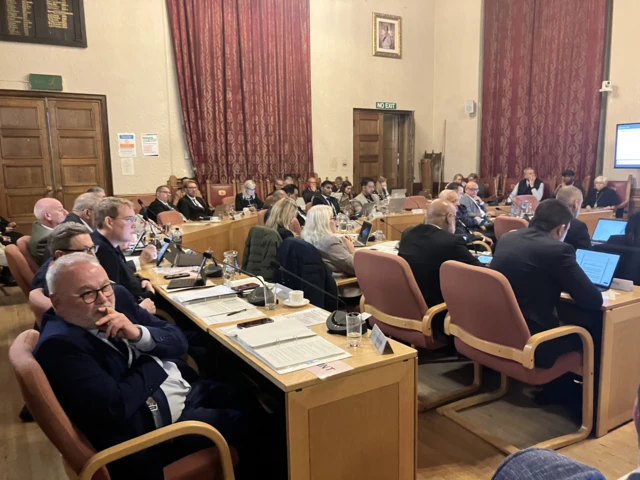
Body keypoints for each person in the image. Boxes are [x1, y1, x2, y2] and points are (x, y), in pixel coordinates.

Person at [35, 254, 256, 479]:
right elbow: (116, 407)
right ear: (57, 302)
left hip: (175, 392)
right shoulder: (59, 346)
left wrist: (139, 334)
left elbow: (178, 342)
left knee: (247, 396)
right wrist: (154, 359)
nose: (104, 300)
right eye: (88, 294)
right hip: (152, 435)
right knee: (248, 424)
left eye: (105, 287)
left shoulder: (118, 298)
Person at [490, 199, 603, 368]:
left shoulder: (507, 238)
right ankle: (581, 391)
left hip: (499, 329)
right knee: (596, 331)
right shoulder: (558, 250)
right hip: (535, 341)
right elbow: (593, 300)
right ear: (562, 228)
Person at [398, 199, 482, 339]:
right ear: (449, 218)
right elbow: (480, 274)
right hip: (437, 317)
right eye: (454, 217)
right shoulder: (451, 242)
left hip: (406, 308)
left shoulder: (408, 234)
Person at [91, 197, 157, 301]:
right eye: (129, 219)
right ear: (109, 222)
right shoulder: (103, 252)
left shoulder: (110, 244)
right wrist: (148, 295)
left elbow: (124, 275)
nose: (134, 225)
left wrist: (141, 281)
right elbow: (116, 299)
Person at [302, 205, 359, 300]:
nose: (335, 221)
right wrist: (352, 249)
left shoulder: (308, 237)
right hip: (346, 290)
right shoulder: (330, 241)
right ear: (323, 222)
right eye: (333, 218)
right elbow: (355, 267)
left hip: (328, 287)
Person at [29, 198, 69, 266]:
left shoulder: (39, 225)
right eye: (60, 210)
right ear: (48, 216)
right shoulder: (46, 239)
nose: (66, 212)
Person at [556, 186, 590, 251]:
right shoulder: (578, 226)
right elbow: (586, 252)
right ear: (576, 204)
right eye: (581, 204)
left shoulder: (543, 218)